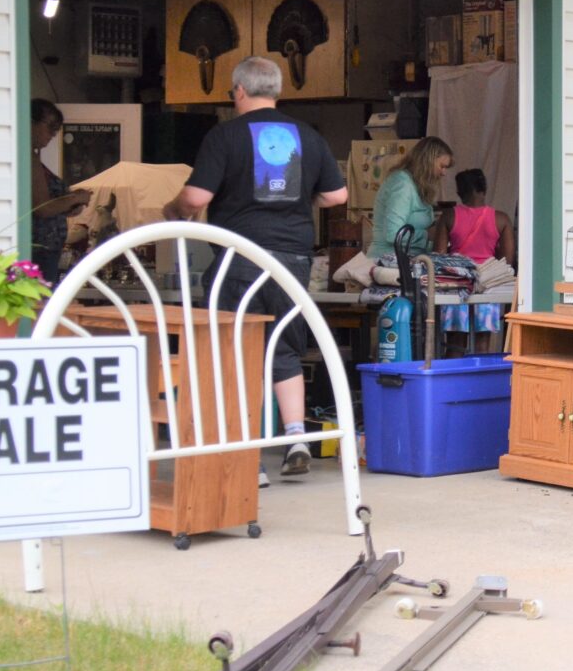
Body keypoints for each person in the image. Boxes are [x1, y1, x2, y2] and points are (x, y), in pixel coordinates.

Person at [163, 56, 348, 481]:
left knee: (233, 350)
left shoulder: (225, 135)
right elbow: (337, 196)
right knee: (282, 346)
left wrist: (172, 211)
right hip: (293, 262)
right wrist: (302, 202)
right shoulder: (307, 135)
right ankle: (296, 438)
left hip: (239, 258)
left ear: (239, 91)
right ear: (277, 92)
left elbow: (195, 198)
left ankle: (247, 457)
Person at [434, 169, 514, 353]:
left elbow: (439, 257)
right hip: (488, 286)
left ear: (460, 193)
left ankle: (452, 380)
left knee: (455, 343)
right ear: (483, 190)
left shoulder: (449, 216)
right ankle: (479, 380)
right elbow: (507, 262)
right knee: (482, 344)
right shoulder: (501, 219)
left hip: (457, 285)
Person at [30, 98, 91, 285]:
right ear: (32, 123)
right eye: (51, 126)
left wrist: (69, 204)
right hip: (40, 250)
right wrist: (75, 197)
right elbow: (42, 208)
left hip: (47, 249)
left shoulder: (33, 156)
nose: (53, 134)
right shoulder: (28, 157)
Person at [366, 136, 454, 259]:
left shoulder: (418, 185)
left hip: (407, 260)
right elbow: (393, 234)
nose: (443, 173)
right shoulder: (402, 184)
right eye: (442, 166)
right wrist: (427, 235)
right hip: (387, 260)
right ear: (428, 161)